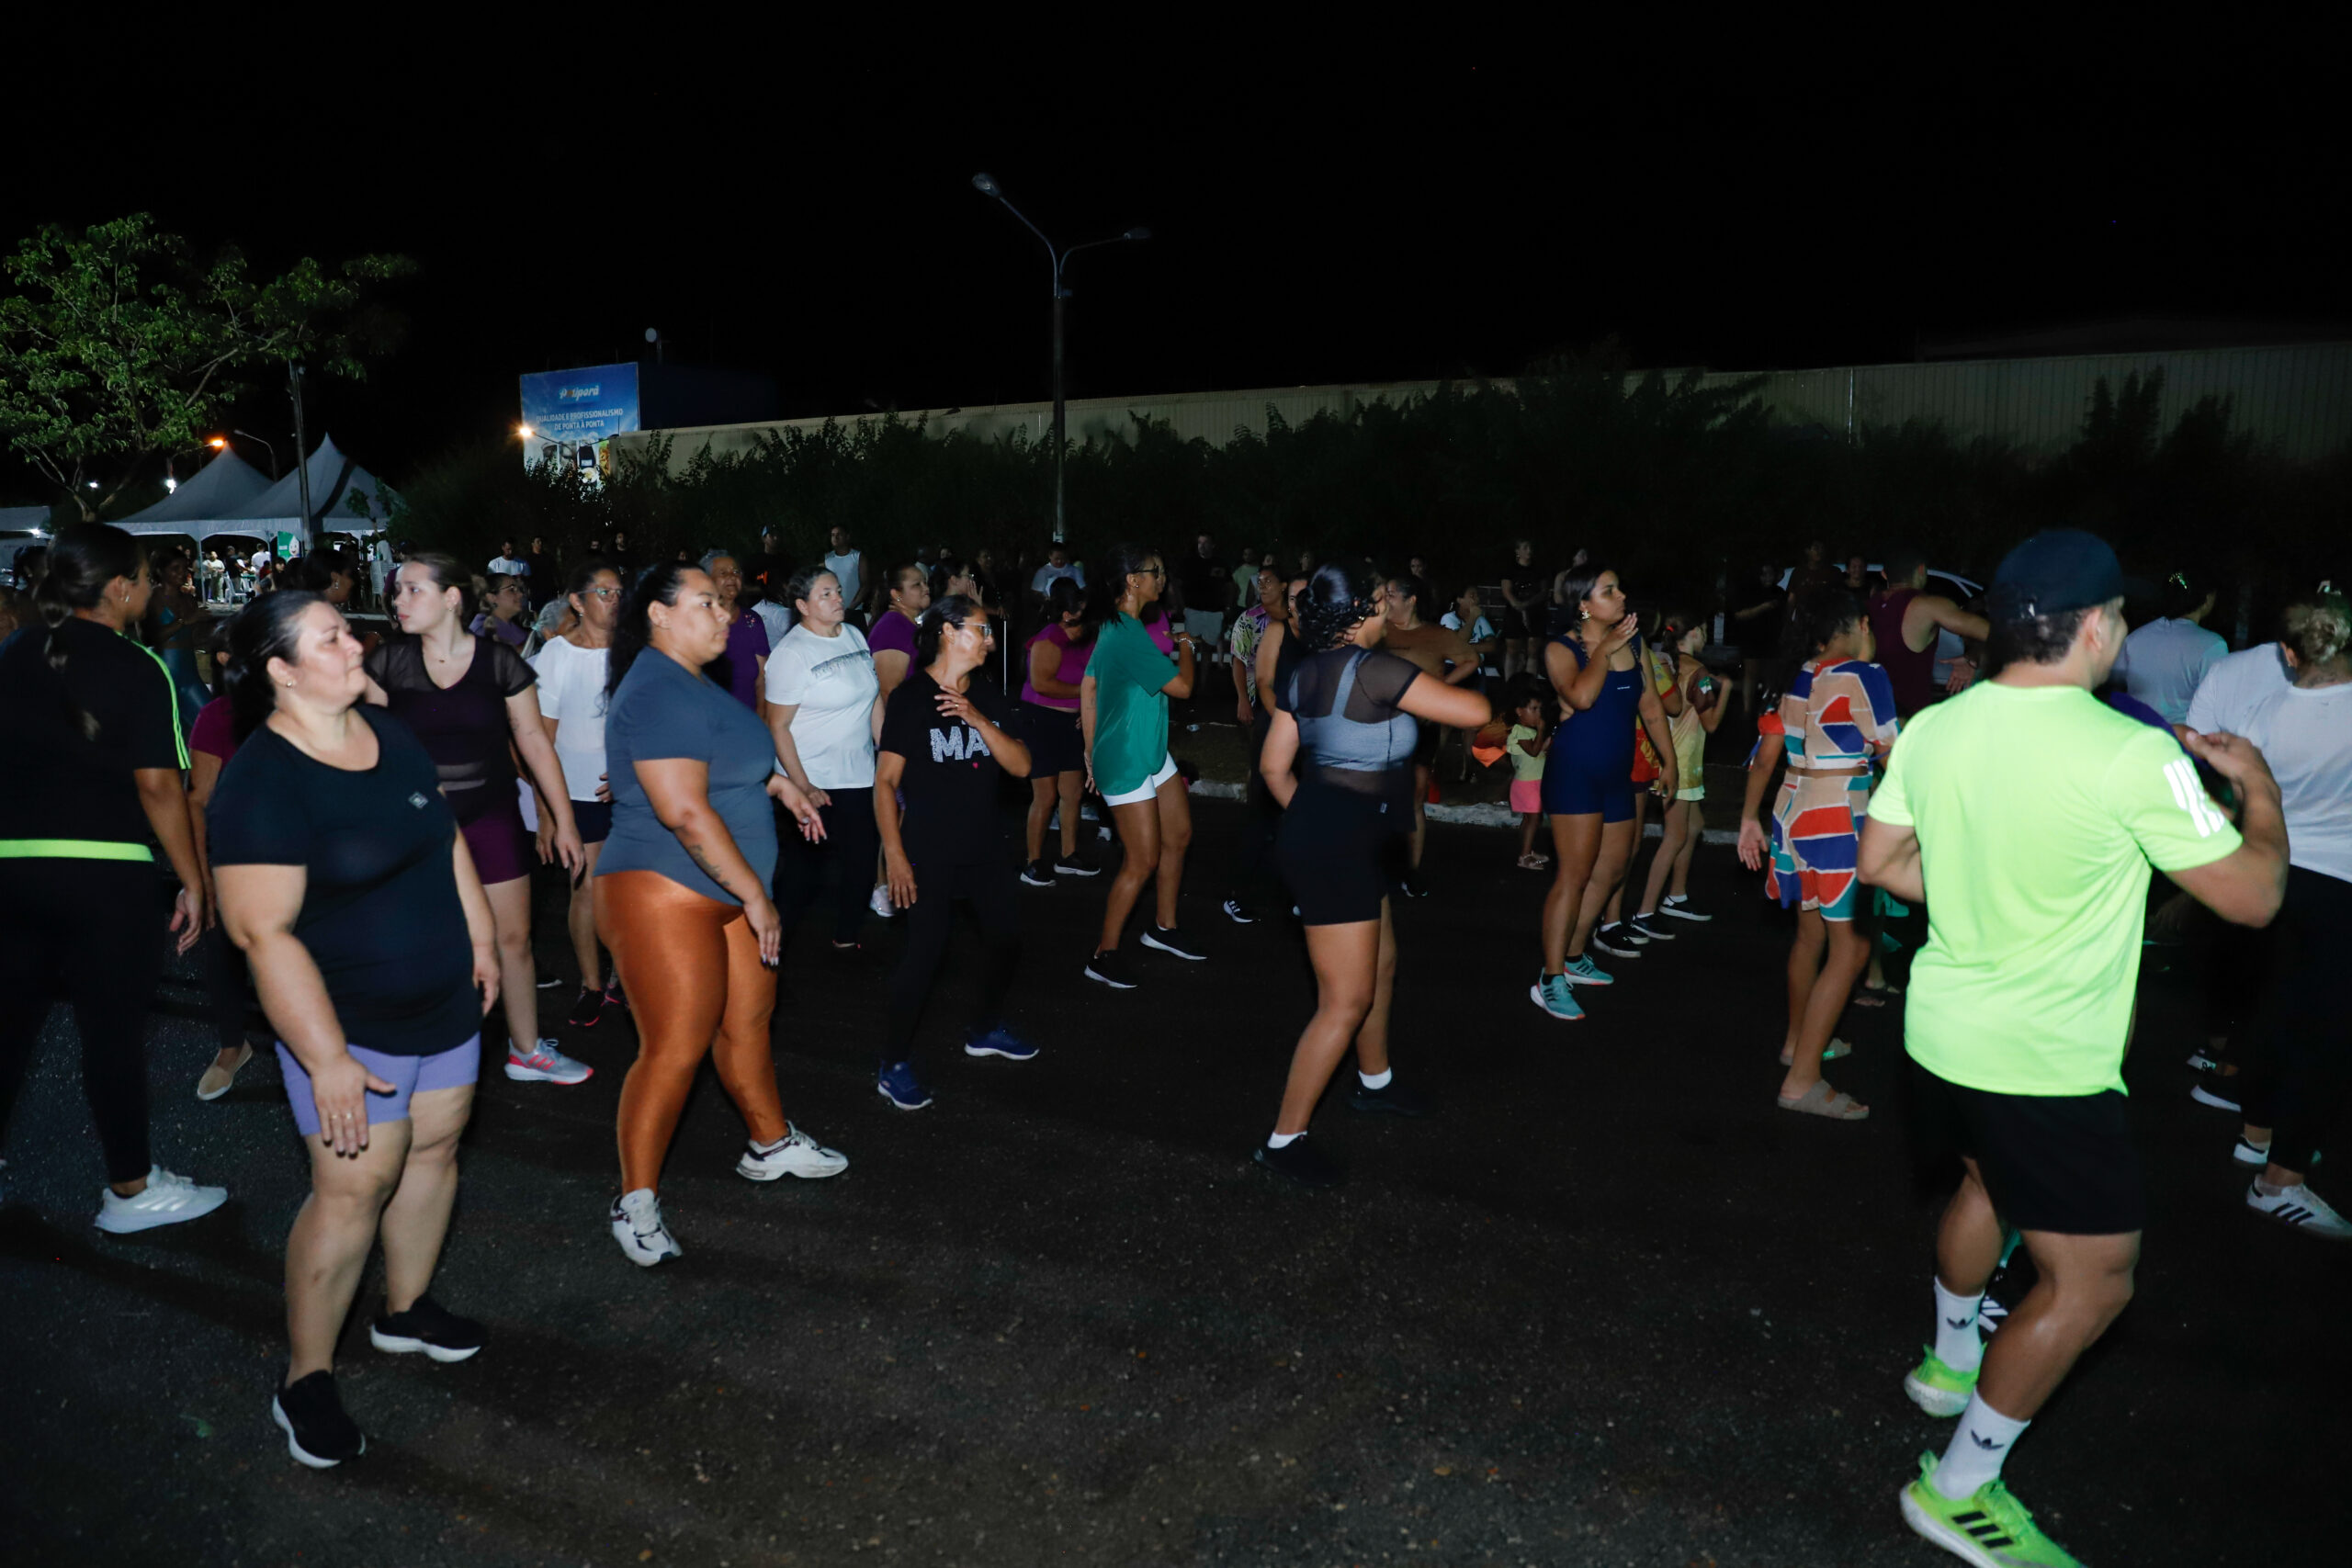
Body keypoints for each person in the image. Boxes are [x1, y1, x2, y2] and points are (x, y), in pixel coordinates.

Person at [1856, 529, 2286, 1568]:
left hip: (1941, 1035)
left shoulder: (1937, 726)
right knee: (2093, 1282)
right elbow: (2255, 897)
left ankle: (1948, 1363)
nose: (2124, 632)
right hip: (2041, 1062)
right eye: (2121, 617)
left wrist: (1984, 888)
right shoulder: (2128, 752)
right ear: (2093, 626)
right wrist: (2261, 791)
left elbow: (1882, 864)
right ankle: (1958, 1489)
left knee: (1986, 1186)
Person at [208, 589, 501, 1468]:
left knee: (433, 1150)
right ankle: (306, 1378)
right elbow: (262, 933)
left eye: (348, 632)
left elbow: (443, 835)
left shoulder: (390, 734)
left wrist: (483, 940)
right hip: (348, 1022)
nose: (356, 644)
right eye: (332, 638)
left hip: (444, 1000)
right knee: (352, 1189)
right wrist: (325, 1055)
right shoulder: (262, 780)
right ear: (281, 670)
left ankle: (405, 1309)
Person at [596, 562, 843, 1266]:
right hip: (663, 889)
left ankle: (769, 1142)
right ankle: (634, 1200)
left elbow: (727, 765)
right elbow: (683, 810)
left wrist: (781, 786)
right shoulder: (656, 687)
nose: (724, 612)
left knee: (747, 1022)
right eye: (705, 602)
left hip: (730, 890)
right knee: (674, 1048)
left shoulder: (696, 684)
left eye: (721, 601)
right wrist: (758, 896)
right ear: (658, 614)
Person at [0, 524, 225, 1234]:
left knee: (7, 1034)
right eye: (146, 577)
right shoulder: (139, 665)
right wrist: (193, 879)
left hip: (13, 870)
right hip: (105, 878)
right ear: (120, 587)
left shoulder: (14, 652)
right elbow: (160, 787)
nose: (153, 589)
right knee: (111, 1037)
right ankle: (129, 1188)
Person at [1253, 564, 1490, 1186]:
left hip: (1341, 839)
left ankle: (1375, 1081)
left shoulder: (1306, 672)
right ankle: (1283, 1140)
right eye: (1382, 599)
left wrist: (1317, 821)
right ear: (1362, 610)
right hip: (1336, 847)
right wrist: (1328, 830)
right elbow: (1475, 708)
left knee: (1381, 963)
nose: (1389, 608)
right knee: (1345, 999)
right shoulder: (1377, 670)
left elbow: (1275, 770)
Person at [367, 553, 591, 1087]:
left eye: (412, 590)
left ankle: (526, 1050)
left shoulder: (500, 662)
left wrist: (564, 820)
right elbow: (367, 747)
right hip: (418, 826)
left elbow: (534, 742)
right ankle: (422, 1056)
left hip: (491, 817)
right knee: (425, 943)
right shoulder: (386, 664)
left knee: (513, 939)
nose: (398, 601)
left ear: (451, 598)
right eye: (397, 591)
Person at [1736, 588, 1898, 1115]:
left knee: (1810, 938)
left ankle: (1797, 1043)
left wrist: (1748, 819)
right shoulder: (1865, 677)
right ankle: (1802, 1080)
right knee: (1851, 950)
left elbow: (1766, 758)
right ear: (1858, 625)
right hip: (1837, 820)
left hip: (1792, 813)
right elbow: (1894, 757)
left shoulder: (1798, 673)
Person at [872, 596, 1038, 1108]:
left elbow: (1022, 766)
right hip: (929, 849)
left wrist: (977, 719)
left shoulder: (984, 694)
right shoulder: (911, 699)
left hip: (984, 845)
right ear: (947, 631)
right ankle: (893, 1062)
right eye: (981, 630)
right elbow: (885, 783)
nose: (990, 641)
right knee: (925, 955)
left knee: (1007, 940)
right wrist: (895, 856)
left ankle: (984, 1028)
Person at [2224, 591, 2352, 1236]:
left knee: (2273, 1010)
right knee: (2327, 1033)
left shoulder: (2263, 711)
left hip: (2273, 876)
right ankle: (2282, 1180)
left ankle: (2257, 1136)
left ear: (2288, 652)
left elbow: (2240, 798)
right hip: (2342, 886)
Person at [1529, 566, 1676, 1021]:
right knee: (1573, 876)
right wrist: (1605, 649)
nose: (1621, 594)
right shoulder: (1561, 649)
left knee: (1612, 869)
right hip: (1575, 773)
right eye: (1609, 590)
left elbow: (1651, 707)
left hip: (1617, 775)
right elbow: (1582, 698)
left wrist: (1669, 761)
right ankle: (1550, 978)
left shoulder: (1634, 643)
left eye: (1618, 587)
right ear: (1583, 604)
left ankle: (1573, 956)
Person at [1080, 544, 1206, 986]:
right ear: (1134, 581)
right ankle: (1103, 955)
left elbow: (1089, 686)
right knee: (1142, 860)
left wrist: (1088, 751)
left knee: (1179, 834)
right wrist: (1186, 643)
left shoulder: (1118, 625)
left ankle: (1163, 929)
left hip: (1148, 747)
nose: (1163, 579)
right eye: (1156, 572)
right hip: (1126, 757)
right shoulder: (1126, 632)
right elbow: (1184, 687)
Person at [765, 566, 883, 957]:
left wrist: (888, 753)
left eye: (838, 591)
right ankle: (770, 948)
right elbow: (777, 726)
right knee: (803, 873)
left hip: (859, 775)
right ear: (802, 606)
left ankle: (846, 936)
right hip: (812, 779)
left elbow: (872, 699)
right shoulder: (792, 653)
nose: (838, 599)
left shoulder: (854, 635)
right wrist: (803, 786)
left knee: (862, 861)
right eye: (826, 594)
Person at [530, 559, 624, 1028]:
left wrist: (632, 772)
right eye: (604, 592)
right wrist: (548, 815)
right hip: (578, 793)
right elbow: (539, 742)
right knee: (586, 889)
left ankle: (623, 977)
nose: (614, 600)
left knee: (628, 888)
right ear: (577, 602)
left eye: (619, 592)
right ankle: (592, 983)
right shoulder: (557, 656)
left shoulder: (636, 651)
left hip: (632, 792)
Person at [1380, 573, 1479, 897]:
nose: (1385, 598)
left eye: (1391, 593)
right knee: (1379, 796)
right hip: (1381, 724)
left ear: (1411, 600)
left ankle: (1411, 871)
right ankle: (1374, 866)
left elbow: (1471, 659)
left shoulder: (1436, 634)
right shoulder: (1379, 630)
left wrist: (1438, 689)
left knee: (1416, 796)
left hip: (1422, 725)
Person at [1631, 613, 1730, 930]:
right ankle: (1645, 913)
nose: (1706, 635)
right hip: (1682, 765)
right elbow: (1711, 724)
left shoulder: (1666, 664)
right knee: (1674, 838)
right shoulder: (1699, 672)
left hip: (1668, 759)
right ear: (1693, 634)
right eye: (1703, 629)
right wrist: (1727, 689)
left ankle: (1676, 895)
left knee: (1694, 825)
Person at [1018, 576, 1098, 886]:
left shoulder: (1087, 637)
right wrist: (1085, 696)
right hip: (1041, 721)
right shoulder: (1049, 638)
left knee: (1072, 793)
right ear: (1067, 614)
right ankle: (1032, 862)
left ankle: (1068, 855)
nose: (1088, 613)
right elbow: (1042, 684)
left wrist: (1086, 708)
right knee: (1046, 795)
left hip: (1071, 722)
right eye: (1082, 608)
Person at [1221, 565, 1289, 920]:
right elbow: (1239, 660)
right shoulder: (1250, 620)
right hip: (1261, 707)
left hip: (1290, 718)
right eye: (1258, 582)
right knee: (1261, 779)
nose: (1262, 586)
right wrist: (1242, 700)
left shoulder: (1298, 623)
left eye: (1268, 581)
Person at [1868, 547, 1991, 723]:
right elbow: (1993, 632)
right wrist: (1974, 659)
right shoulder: (1928, 606)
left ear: (1884, 574)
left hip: (1870, 718)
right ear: (1921, 570)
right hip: (1910, 721)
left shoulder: (1867, 605)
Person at [2110, 568, 2227, 727]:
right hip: (2182, 736)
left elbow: (2115, 686)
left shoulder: (2134, 639)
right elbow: (2216, 705)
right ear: (2207, 599)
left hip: (2134, 729)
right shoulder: (2213, 645)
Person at [699, 552, 771, 715]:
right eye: (723, 573)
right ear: (707, 580)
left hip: (747, 719)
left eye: (736, 572)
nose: (732, 577)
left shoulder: (752, 621)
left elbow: (762, 678)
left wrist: (760, 720)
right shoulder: (697, 623)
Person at [1501, 672, 1552, 870]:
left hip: (1533, 781)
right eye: (1533, 709)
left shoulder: (1528, 732)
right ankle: (1524, 857)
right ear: (1520, 711)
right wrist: (1542, 731)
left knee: (1530, 819)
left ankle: (1527, 850)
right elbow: (1533, 751)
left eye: (1539, 709)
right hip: (1527, 783)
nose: (1538, 714)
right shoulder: (1520, 731)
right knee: (1533, 819)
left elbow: (1537, 751)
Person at [1176, 534, 1230, 664]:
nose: (1202, 546)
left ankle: (1204, 677)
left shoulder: (1220, 563)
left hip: (1213, 611)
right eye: (1199, 542)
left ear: (1212, 545)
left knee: (1207, 649)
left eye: (1205, 542)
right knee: (1192, 647)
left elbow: (1229, 586)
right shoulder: (1189, 563)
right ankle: (1191, 676)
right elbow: (1177, 585)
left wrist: (1228, 606)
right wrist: (1181, 606)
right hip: (1193, 610)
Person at [469, 571, 530, 651]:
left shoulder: (511, 623)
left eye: (519, 589)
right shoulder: (482, 630)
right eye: (512, 590)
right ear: (491, 597)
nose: (520, 594)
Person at [822, 525, 867, 620]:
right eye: (833, 535)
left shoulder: (857, 557)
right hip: (833, 613)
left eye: (839, 534)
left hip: (854, 612)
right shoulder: (827, 559)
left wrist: (851, 608)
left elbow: (865, 585)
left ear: (847, 537)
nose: (835, 538)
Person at [525, 536, 557, 608]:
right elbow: (525, 576)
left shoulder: (549, 557)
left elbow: (555, 573)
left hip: (549, 589)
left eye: (541, 541)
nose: (540, 543)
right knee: (537, 610)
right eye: (538, 542)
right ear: (533, 544)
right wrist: (527, 589)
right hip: (535, 590)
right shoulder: (527, 558)